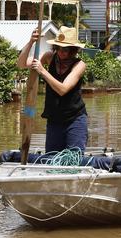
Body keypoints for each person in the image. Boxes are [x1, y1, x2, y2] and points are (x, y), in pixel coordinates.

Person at [17, 26, 88, 154]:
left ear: (73, 50)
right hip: (54, 119)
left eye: (65, 49)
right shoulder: (49, 57)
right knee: (52, 158)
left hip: (75, 119)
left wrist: (42, 71)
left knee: (74, 157)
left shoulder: (79, 65)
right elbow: (21, 64)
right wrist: (31, 42)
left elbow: (63, 89)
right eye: (58, 48)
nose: (61, 52)